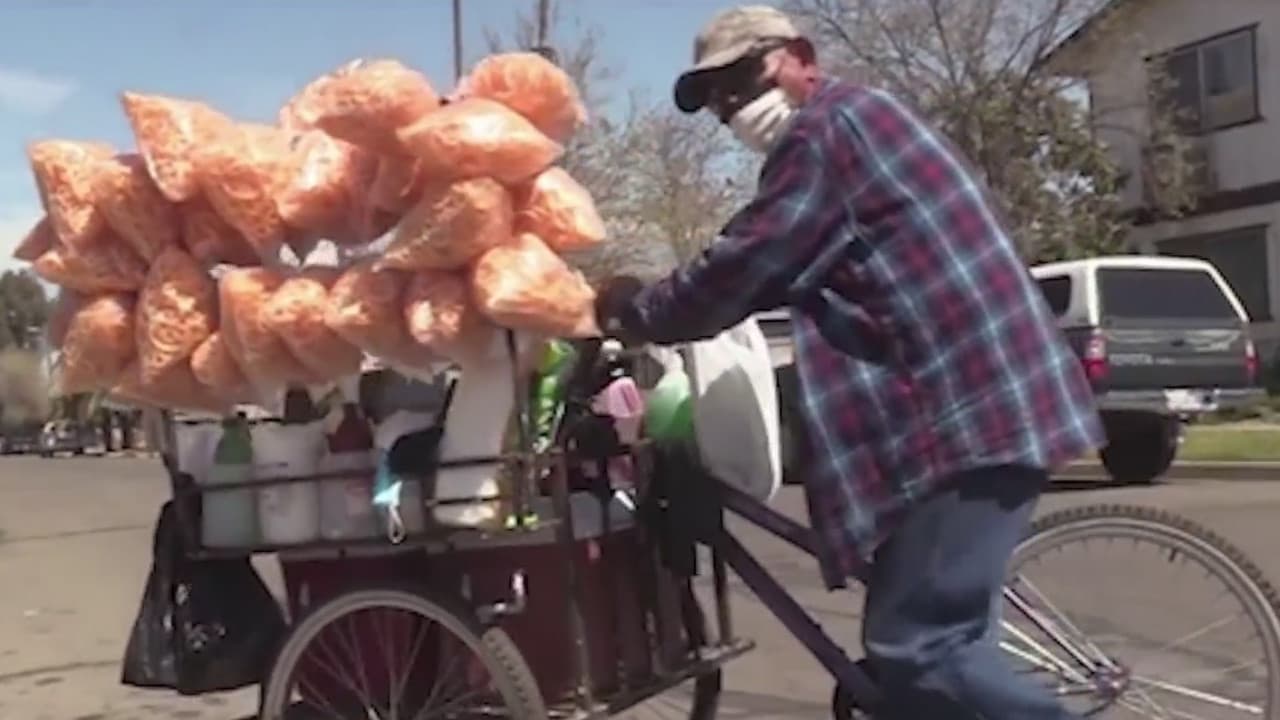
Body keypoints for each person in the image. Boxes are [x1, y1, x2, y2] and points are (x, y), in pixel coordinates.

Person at [595, 5, 1104, 719]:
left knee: (918, 648)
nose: (731, 108)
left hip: (967, 413)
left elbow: (750, 261)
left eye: (741, 80)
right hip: (977, 400)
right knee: (934, 652)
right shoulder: (855, 121)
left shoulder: (826, 131)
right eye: (715, 102)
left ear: (801, 56)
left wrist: (634, 309)